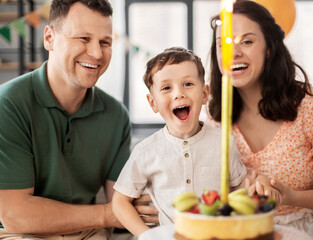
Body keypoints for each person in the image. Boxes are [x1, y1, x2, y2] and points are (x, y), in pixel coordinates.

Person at [0, 0, 157, 239]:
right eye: (83, 39)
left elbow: (124, 206)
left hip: (87, 232)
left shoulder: (116, 115)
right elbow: (14, 215)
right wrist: (106, 214)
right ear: (49, 38)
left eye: (105, 42)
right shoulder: (8, 103)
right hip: (18, 234)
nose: (96, 53)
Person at [207, 1, 313, 239]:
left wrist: (289, 196)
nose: (233, 52)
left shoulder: (312, 105)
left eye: (246, 41)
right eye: (223, 44)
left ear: (269, 48)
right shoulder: (213, 119)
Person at [112, 47, 271, 237]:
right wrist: (148, 235)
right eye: (166, 88)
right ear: (153, 102)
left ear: (204, 94)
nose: (178, 94)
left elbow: (238, 188)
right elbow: (119, 202)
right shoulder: (146, 152)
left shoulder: (223, 142)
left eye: (187, 83)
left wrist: (258, 182)